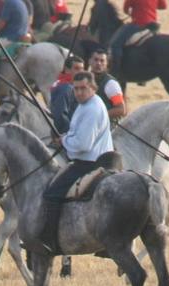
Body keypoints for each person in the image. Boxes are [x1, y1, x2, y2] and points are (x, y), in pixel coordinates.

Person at [38, 70, 113, 255]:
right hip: (93, 158)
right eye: (76, 89)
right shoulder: (85, 104)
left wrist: (64, 141)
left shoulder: (92, 109)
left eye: (83, 88)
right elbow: (76, 134)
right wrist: (65, 137)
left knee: (51, 194)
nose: (79, 92)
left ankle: (48, 241)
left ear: (93, 88)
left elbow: (83, 144)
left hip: (89, 163)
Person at [109, 0, 166, 75]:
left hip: (138, 24)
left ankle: (115, 71)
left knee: (115, 44)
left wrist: (130, 12)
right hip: (153, 25)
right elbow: (164, 6)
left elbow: (126, 8)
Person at [49, 55, 85, 135]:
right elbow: (60, 115)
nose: (80, 72)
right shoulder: (66, 88)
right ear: (67, 70)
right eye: (76, 69)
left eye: (82, 69)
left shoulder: (66, 84)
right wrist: (71, 134)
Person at [87, 49, 126, 122]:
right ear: (90, 61)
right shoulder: (84, 79)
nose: (98, 63)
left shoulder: (111, 84)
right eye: (96, 60)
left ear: (106, 63)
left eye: (102, 61)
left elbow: (121, 109)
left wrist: (98, 116)